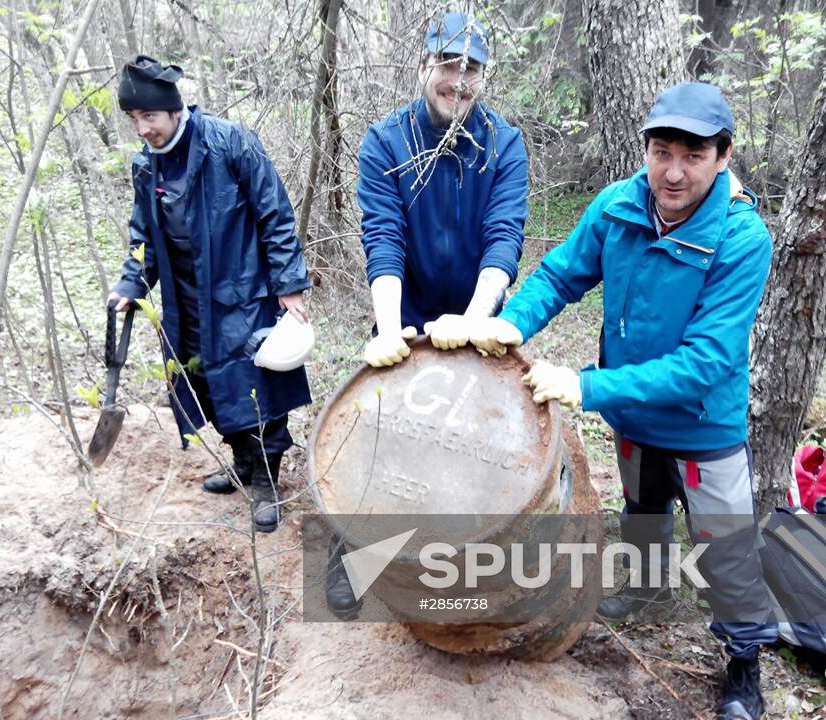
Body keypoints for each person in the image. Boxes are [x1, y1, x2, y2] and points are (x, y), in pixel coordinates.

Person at [471, 82, 778, 720]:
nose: (672, 171)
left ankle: (744, 664)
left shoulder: (741, 239)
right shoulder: (618, 208)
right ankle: (644, 590)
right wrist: (515, 322)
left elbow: (706, 363)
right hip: (634, 416)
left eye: (692, 156)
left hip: (702, 425)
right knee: (642, 504)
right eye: (661, 151)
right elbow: (561, 274)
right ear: (644, 149)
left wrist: (587, 386)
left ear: (722, 156)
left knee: (724, 545)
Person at [320, 12, 529, 619]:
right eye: (448, 67)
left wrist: (473, 320)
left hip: (476, 313)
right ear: (424, 67)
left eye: (472, 72)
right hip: (405, 314)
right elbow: (383, 237)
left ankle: (459, 558)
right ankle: (353, 554)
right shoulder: (386, 141)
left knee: (473, 442)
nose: (458, 82)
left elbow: (503, 237)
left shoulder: (503, 144)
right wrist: (389, 329)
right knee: (381, 435)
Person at [109, 55, 312, 534]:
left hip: (242, 293)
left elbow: (276, 215)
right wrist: (130, 282)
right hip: (186, 300)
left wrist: (289, 286)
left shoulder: (231, 143)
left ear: (174, 110)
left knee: (256, 389)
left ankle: (266, 483)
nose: (143, 129)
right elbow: (143, 235)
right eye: (135, 119)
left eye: (149, 117)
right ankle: (242, 462)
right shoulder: (147, 166)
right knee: (208, 386)